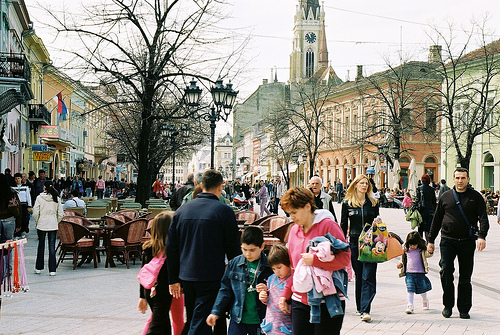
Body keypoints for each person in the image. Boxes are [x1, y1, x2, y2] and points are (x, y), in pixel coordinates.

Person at [167, 170, 241, 335]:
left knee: (197, 317)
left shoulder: (182, 211)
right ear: (220, 187)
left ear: (201, 185)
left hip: (186, 275)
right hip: (211, 275)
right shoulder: (224, 211)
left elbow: (171, 248)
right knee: (200, 323)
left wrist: (173, 278)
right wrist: (236, 276)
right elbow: (233, 249)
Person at [280, 187, 350, 334]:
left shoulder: (328, 225)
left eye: (294, 212)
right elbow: (295, 269)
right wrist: (285, 295)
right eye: (289, 213)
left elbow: (345, 258)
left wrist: (316, 261)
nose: (292, 217)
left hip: (327, 301)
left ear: (307, 206)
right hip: (300, 299)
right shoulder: (293, 230)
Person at [428, 167, 489, 319]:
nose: (460, 181)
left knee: (465, 276)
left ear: (468, 179)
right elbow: (436, 220)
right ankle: (448, 305)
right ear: (453, 179)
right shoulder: (446, 196)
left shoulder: (475, 197)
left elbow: (483, 218)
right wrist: (430, 240)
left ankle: (464, 308)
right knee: (446, 272)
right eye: (457, 178)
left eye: (463, 178)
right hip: (448, 240)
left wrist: (482, 236)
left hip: (467, 242)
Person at [207, 226, 273, 334]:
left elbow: (280, 288)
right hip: (238, 318)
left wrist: (268, 289)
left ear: (262, 246)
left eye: (252, 250)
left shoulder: (270, 266)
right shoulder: (234, 263)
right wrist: (215, 311)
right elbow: (225, 289)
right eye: (244, 249)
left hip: (260, 319)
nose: (248, 254)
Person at [340, 174, 379, 322]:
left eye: (366, 183)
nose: (364, 186)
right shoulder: (347, 203)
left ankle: (365, 309)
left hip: (370, 244)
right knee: (360, 275)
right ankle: (360, 306)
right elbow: (343, 225)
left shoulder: (373, 203)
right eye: (361, 183)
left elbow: (378, 223)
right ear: (355, 185)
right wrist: (341, 244)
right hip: (355, 242)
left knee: (368, 275)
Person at [137, 211, 184, 335]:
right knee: (173, 320)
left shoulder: (149, 248)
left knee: (157, 318)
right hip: (172, 290)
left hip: (153, 291)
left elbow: (143, 274)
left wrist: (142, 296)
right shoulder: (175, 249)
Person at [259, 244, 292, 335]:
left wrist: (288, 308)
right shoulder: (271, 279)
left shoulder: (293, 280)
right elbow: (269, 300)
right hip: (270, 327)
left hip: (286, 328)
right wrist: (264, 297)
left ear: (288, 262)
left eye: (279, 267)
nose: (277, 271)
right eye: (273, 269)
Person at [397, 231, 433, 314]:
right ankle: (410, 305)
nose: (412, 246)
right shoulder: (406, 251)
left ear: (418, 243)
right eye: (410, 244)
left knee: (422, 289)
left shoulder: (421, 251)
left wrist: (430, 251)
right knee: (410, 289)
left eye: (414, 244)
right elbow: (402, 260)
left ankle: (425, 300)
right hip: (409, 273)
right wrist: (400, 264)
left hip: (420, 273)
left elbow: (428, 254)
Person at [33, 180, 64, 276]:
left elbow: (35, 213)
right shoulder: (57, 198)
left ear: (44, 187)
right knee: (51, 246)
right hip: (53, 224)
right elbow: (60, 214)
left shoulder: (39, 198)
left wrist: (38, 221)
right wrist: (56, 221)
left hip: (42, 223)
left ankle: (38, 267)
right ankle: (52, 270)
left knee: (41, 245)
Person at [0, 173, 22, 241]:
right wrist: (18, 224)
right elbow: (18, 208)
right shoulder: (12, 193)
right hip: (9, 220)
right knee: (9, 244)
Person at [416, 174, 437, 242]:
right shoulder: (431, 189)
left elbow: (417, 200)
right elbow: (434, 201)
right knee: (428, 228)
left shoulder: (419, 188)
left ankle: (420, 242)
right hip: (430, 210)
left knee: (420, 227)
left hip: (421, 210)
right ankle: (429, 242)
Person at [12, 173, 32, 237]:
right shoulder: (12, 187)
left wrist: (29, 206)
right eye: (16, 179)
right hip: (16, 205)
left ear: (21, 179)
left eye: (18, 178)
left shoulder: (25, 187)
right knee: (17, 219)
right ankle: (17, 232)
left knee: (24, 219)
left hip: (23, 204)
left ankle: (23, 231)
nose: (17, 180)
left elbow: (28, 196)